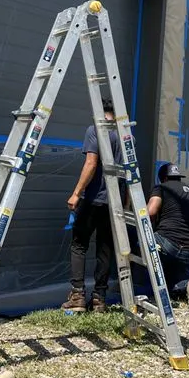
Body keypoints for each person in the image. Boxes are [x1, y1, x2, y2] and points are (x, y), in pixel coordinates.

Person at [63, 98, 124, 314]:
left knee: (79, 245)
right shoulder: (127, 135)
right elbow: (129, 173)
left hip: (93, 200)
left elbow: (91, 162)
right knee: (104, 249)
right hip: (113, 203)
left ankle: (78, 295)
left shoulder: (95, 130)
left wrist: (76, 193)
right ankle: (99, 299)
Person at [146, 162, 189, 311]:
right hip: (188, 251)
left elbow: (150, 213)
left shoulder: (162, 188)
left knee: (136, 242)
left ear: (163, 178)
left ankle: (132, 284)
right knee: (174, 286)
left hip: (165, 243)